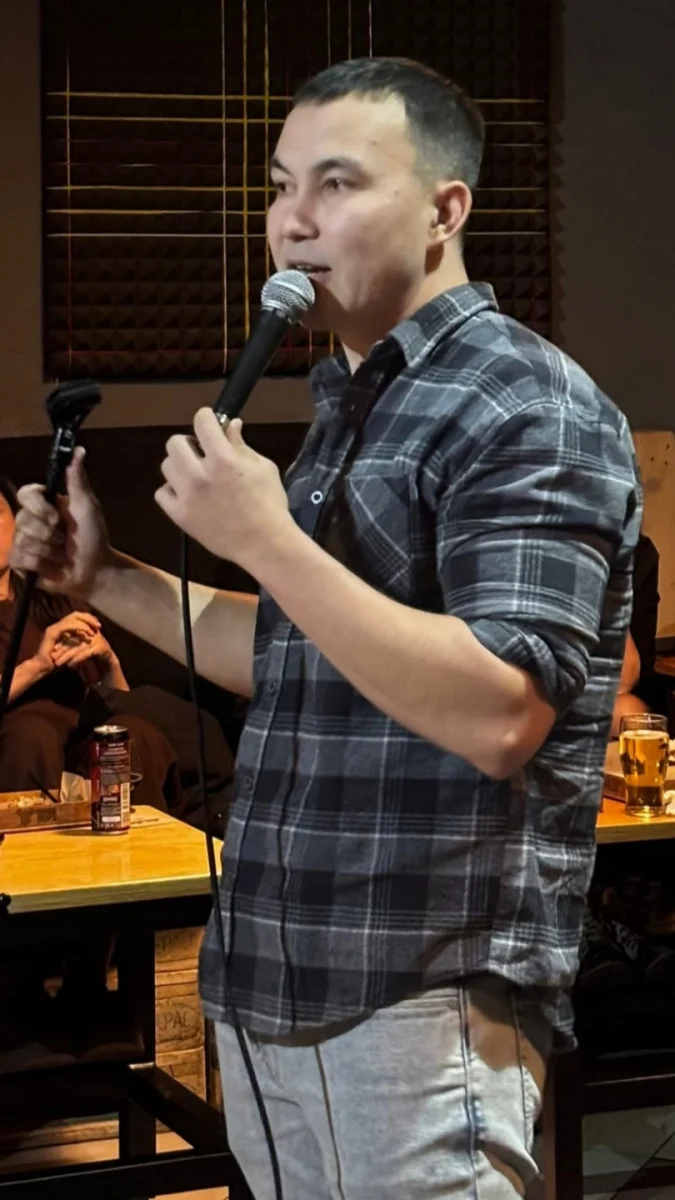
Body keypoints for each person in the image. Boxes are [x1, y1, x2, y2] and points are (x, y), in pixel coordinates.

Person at [12, 58, 641, 1200]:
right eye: (280, 184)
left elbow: (502, 712)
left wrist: (268, 539)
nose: (292, 220)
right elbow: (300, 655)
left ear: (446, 211)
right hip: (276, 987)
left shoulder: (524, 402)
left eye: (338, 183)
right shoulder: (358, 401)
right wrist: (102, 579)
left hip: (419, 993)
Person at [0, 475, 234, 830]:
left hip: (76, 741)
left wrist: (109, 661)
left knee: (130, 735)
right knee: (31, 734)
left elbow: (116, 699)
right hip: (20, 746)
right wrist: (38, 665)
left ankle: (140, 857)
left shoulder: (50, 599)